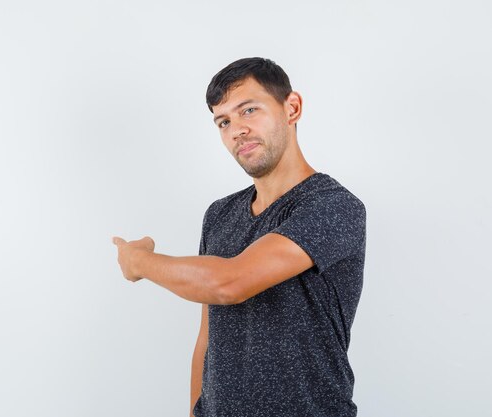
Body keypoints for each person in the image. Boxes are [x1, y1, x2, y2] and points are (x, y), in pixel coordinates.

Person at [112, 57, 366, 417]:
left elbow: (229, 283)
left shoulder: (334, 206)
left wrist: (137, 261)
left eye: (249, 110)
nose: (236, 130)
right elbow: (208, 336)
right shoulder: (219, 215)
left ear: (291, 108)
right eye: (224, 121)